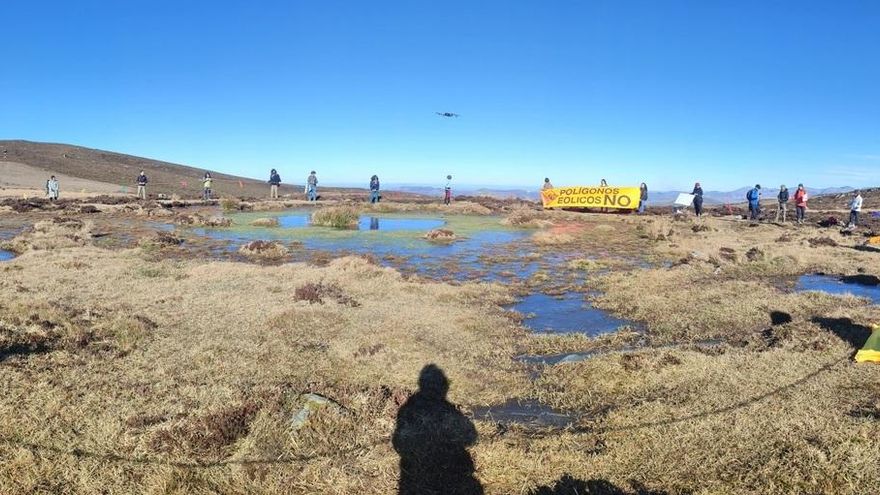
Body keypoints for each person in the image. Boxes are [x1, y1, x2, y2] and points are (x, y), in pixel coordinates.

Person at [393, 365, 483, 495]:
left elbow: (398, 443)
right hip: (440, 474)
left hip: (417, 475)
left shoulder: (408, 409)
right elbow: (471, 437)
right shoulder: (447, 410)